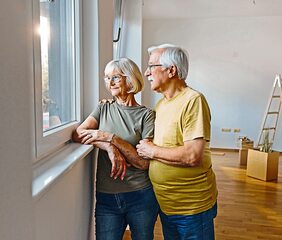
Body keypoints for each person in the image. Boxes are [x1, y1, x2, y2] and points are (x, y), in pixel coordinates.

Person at [136, 44, 218, 239]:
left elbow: (192, 156)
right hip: (167, 205)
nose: (147, 73)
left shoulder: (193, 100)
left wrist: (152, 151)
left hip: (192, 208)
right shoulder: (161, 104)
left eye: (151, 66)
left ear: (171, 70)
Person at [72, 58, 159, 240]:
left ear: (130, 79)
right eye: (106, 78)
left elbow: (143, 163)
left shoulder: (147, 115)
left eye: (115, 78)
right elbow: (79, 133)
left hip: (140, 195)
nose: (109, 83)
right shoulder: (103, 108)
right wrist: (109, 147)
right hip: (106, 197)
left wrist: (112, 138)